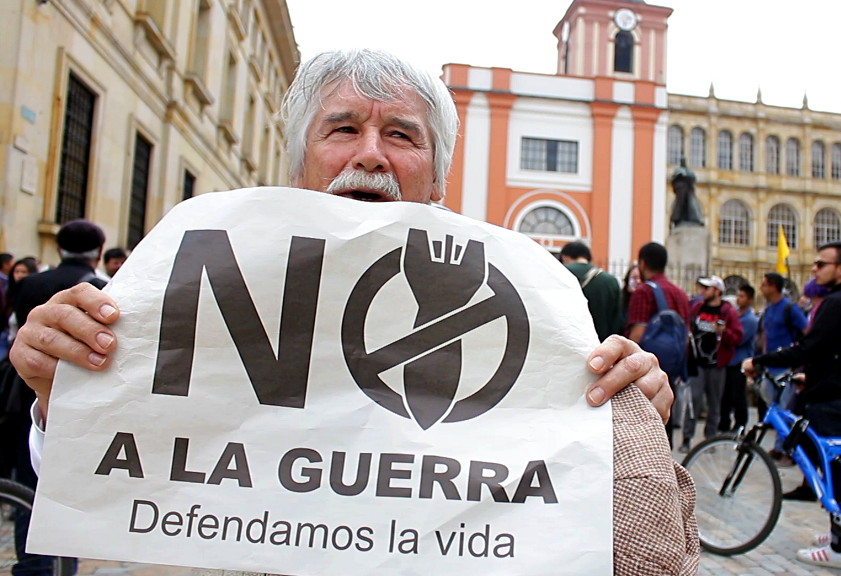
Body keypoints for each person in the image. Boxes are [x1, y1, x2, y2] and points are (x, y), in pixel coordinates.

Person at [10, 49, 696, 576]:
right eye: (343, 128)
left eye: (401, 135)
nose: (370, 153)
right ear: (298, 165)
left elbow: (568, 506)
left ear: (438, 179)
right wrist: (62, 393)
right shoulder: (208, 275)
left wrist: (623, 419)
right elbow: (134, 463)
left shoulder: (525, 297)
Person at [743, 241, 841, 569]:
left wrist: (760, 360)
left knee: (835, 470)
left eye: (821, 264)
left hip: (832, 398)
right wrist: (810, 375)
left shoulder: (837, 301)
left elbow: (808, 346)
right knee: (836, 465)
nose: (815, 269)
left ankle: (840, 547)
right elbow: (838, 349)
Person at [8, 220, 105, 576]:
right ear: (98, 251)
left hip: (25, 392)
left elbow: (16, 327)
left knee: (29, 480)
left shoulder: (31, 283)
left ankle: (30, 561)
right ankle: (65, 560)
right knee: (66, 485)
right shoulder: (100, 288)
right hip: (75, 398)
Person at [625, 242, 690, 449]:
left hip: (646, 374)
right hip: (673, 370)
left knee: (644, 427)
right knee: (666, 422)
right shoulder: (680, 293)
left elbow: (637, 334)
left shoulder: (644, 291)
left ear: (642, 263)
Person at [683, 275, 741, 448]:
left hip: (717, 365)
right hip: (698, 363)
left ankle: (710, 439)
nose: (702, 292)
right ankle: (687, 438)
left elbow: (738, 337)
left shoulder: (728, 312)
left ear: (717, 291)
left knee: (714, 402)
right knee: (694, 400)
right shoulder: (697, 308)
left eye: (707, 288)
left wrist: (724, 332)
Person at [758, 272, 807, 461]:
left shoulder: (790, 309)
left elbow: (805, 331)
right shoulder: (769, 309)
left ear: (773, 287)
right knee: (775, 409)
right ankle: (780, 446)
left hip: (787, 368)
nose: (762, 288)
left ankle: (786, 448)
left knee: (786, 411)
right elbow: (765, 334)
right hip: (771, 368)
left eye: (764, 284)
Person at [559, 241, 623, 341]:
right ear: (588, 257)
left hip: (565, 343)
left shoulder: (558, 274)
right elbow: (616, 322)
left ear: (564, 257)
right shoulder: (610, 281)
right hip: (599, 348)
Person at [720, 283, 757, 432]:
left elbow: (739, 339)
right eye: (738, 296)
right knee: (726, 395)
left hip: (739, 361)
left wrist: (726, 332)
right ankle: (724, 423)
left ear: (749, 299)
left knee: (738, 395)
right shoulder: (734, 314)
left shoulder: (750, 320)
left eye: (742, 296)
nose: (738, 299)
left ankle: (740, 423)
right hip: (729, 361)